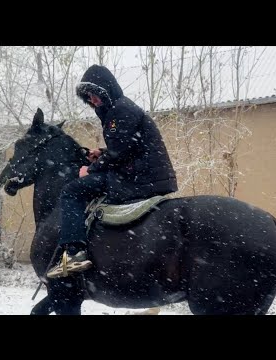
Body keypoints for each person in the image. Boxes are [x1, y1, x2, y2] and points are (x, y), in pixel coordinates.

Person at [47, 65, 178, 278]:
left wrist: (90, 169)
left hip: (137, 178)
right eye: (88, 96)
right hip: (144, 174)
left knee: (72, 191)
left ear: (105, 89)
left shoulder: (120, 111)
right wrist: (102, 152)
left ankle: (74, 253)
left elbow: (120, 153)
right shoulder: (121, 108)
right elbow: (127, 147)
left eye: (94, 94)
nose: (92, 99)